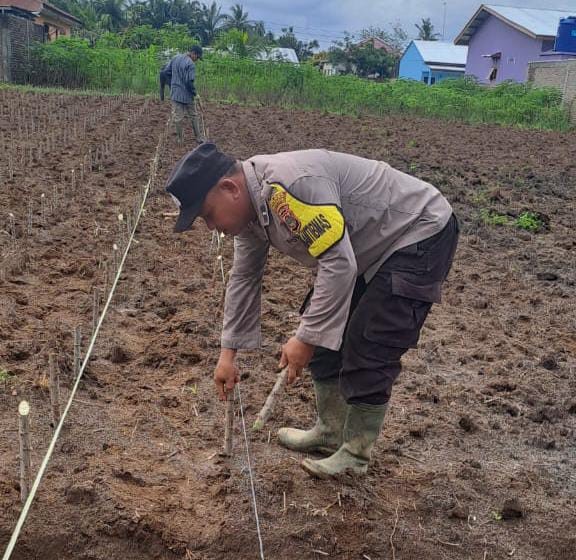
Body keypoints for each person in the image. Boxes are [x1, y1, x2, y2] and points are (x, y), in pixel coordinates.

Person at [165, 143, 459, 478]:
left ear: (229, 188)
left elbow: (338, 263)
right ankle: (330, 431)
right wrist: (227, 354)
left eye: (207, 214)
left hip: (416, 230)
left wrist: (305, 338)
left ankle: (355, 455)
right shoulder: (249, 213)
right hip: (364, 246)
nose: (209, 226)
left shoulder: (288, 189)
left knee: (371, 339)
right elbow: (244, 277)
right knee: (320, 323)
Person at [159, 45, 205, 145]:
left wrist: (172, 83)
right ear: (193, 53)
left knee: (177, 117)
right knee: (193, 115)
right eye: (197, 57)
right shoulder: (191, 64)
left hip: (175, 94)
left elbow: (165, 72)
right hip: (187, 95)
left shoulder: (175, 58)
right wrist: (195, 94)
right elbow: (189, 82)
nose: (197, 60)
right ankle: (199, 138)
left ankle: (180, 140)